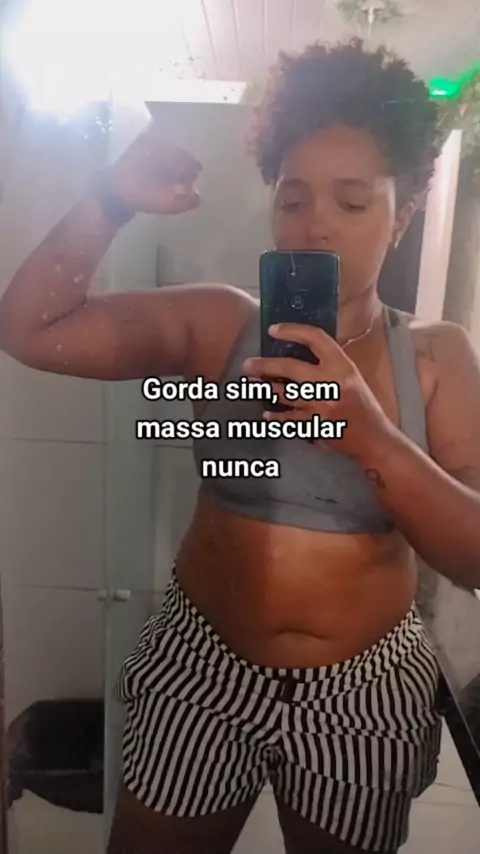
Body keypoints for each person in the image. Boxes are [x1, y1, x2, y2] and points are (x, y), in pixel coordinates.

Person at [1, 37, 479, 854]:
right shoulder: (219, 322)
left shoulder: (436, 357)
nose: (315, 223)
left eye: (352, 202)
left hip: (365, 690)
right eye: (292, 199)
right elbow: (31, 330)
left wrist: (371, 435)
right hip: (200, 668)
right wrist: (109, 200)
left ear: (400, 217)